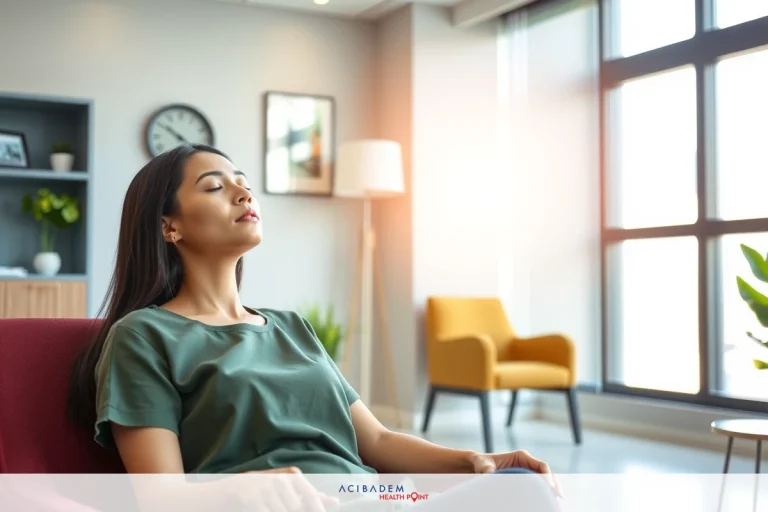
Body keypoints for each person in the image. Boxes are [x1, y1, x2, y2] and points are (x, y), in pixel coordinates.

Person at [67, 143, 560, 511]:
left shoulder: (291, 327)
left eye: (242, 181)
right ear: (168, 227)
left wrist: (476, 460)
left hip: (368, 499)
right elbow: (162, 499)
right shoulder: (143, 335)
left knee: (524, 489)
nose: (242, 191)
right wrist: (239, 487)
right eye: (216, 187)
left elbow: (379, 443)